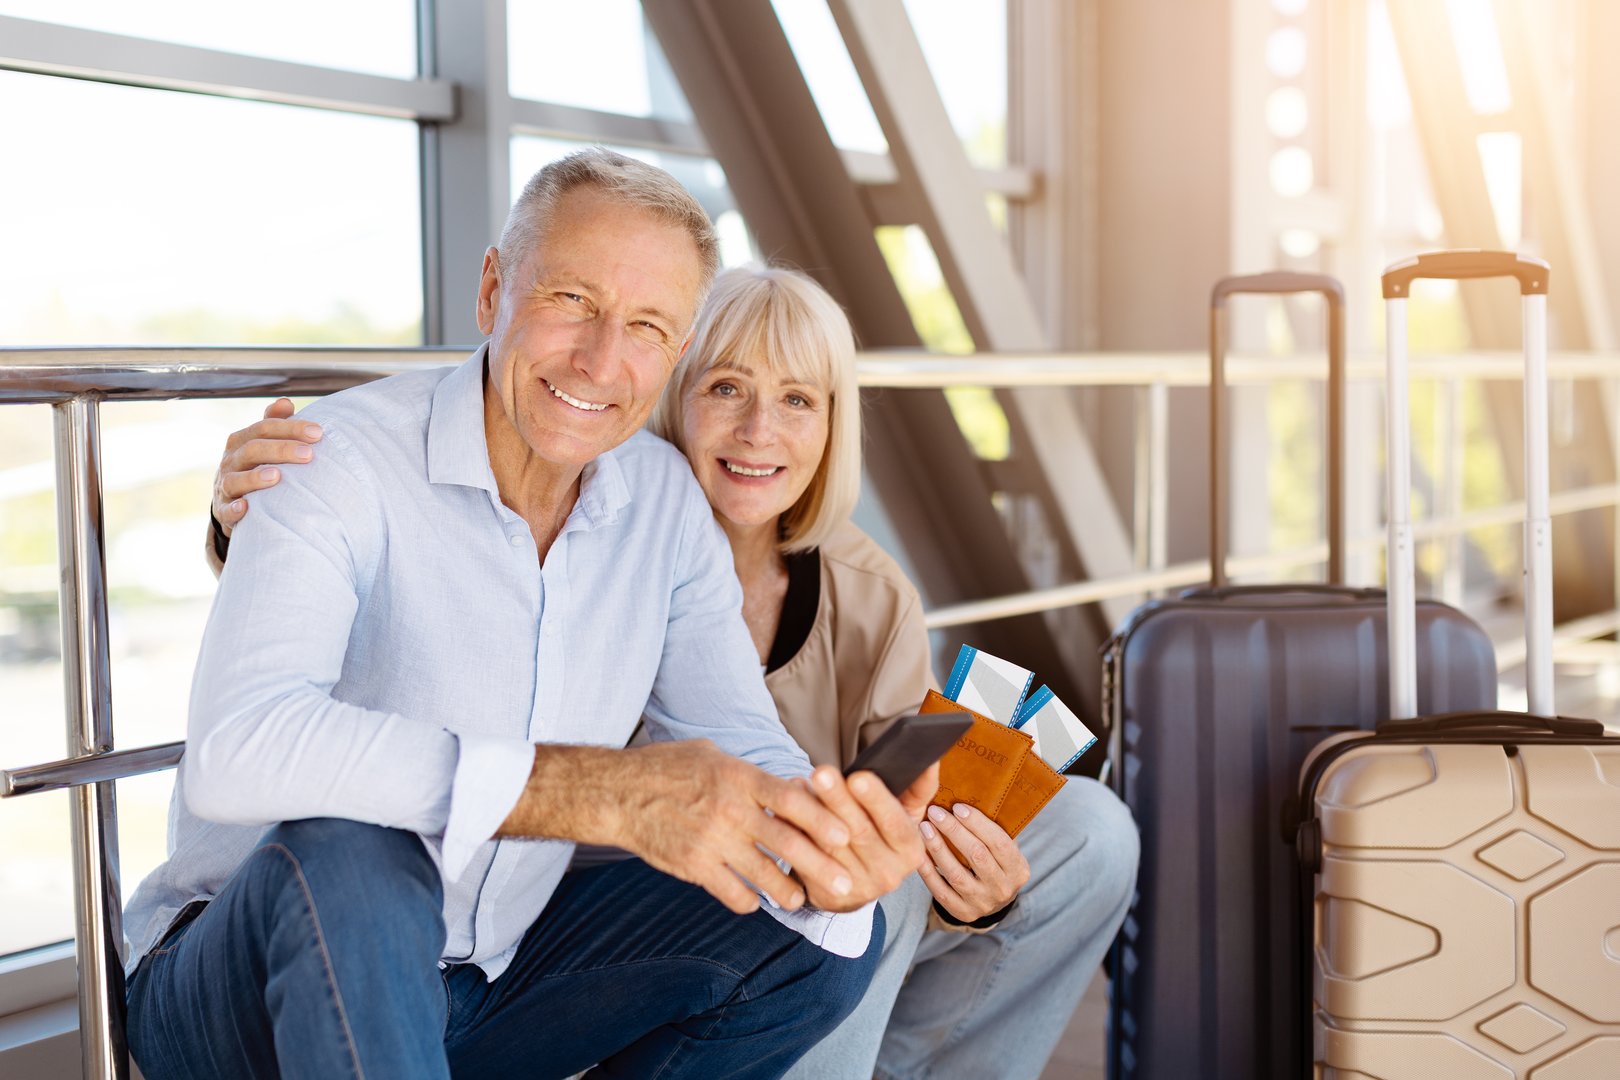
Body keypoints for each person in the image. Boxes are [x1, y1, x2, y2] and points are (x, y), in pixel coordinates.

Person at [124, 149, 937, 1080]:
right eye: (571, 302)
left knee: (819, 927)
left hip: (490, 980)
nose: (600, 359)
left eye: (645, 326)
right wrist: (598, 794)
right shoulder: (334, 455)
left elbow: (736, 735)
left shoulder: (665, 503)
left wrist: (826, 833)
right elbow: (240, 749)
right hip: (247, 983)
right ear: (492, 290)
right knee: (359, 850)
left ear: (673, 354)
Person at [214, 261, 1140, 1078]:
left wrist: (967, 892)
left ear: (831, 425)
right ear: (672, 393)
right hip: (586, 889)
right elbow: (425, 586)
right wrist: (248, 523)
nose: (758, 431)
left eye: (798, 401)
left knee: (1089, 831)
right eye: (727, 388)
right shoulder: (603, 526)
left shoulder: (867, 592)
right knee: (846, 892)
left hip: (759, 899)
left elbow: (892, 807)